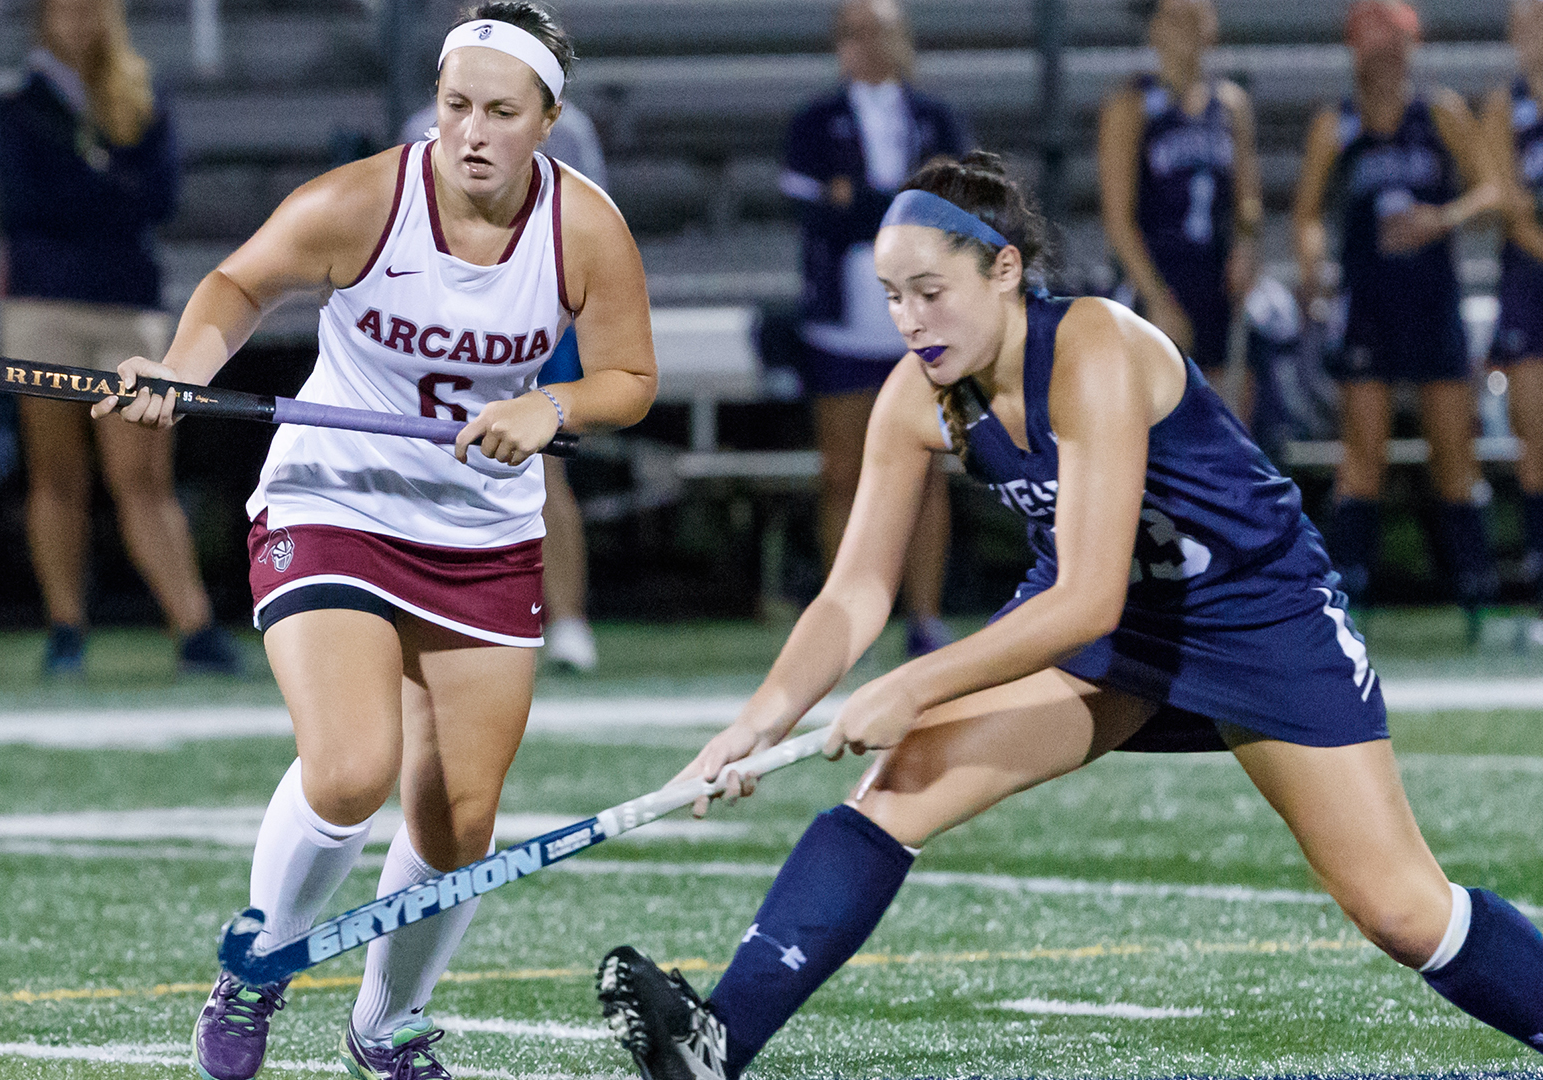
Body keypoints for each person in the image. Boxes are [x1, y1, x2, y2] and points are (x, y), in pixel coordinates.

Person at [594, 153, 1543, 1080]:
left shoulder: (1093, 347)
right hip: (1109, 633)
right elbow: (853, 595)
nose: (909, 322)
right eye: (891, 296)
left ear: (1004, 269)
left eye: (930, 291)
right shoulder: (917, 398)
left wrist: (912, 680)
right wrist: (754, 724)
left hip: (1254, 615)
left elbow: (1082, 592)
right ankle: (720, 1045)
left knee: (1399, 909)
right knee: (904, 780)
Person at [92, 4, 657, 1079]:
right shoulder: (364, 200)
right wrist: (181, 368)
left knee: (462, 822)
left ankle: (384, 1023)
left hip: (482, 531)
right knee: (351, 769)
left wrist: (555, 408)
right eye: (456, 107)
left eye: (501, 111)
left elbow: (630, 379)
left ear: (548, 119)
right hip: (334, 502)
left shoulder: (585, 228)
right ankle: (253, 965)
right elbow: (237, 285)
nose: (473, 132)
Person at [0, 0, 240, 677]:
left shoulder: (139, 93)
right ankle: (65, 625)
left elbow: (159, 196)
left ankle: (192, 627)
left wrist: (94, 187)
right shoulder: (22, 102)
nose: (77, 23)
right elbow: (28, 204)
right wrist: (108, 186)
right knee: (56, 473)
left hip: (127, 304)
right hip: (42, 303)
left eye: (88, 10)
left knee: (143, 477)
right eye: (64, 11)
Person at [1292, 0, 1502, 638]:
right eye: (1371, 42)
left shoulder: (1439, 113)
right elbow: (1306, 212)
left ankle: (1477, 601)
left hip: (1432, 299)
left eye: (1392, 42)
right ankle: (1348, 598)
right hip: (1370, 305)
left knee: (1453, 452)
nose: (1382, 55)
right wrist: (1313, 263)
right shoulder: (1339, 123)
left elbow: (1491, 189)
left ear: (1410, 46)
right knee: (1363, 455)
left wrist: (1440, 219)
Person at [784, 0, 970, 655]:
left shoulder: (931, 114)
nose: (863, 46)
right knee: (842, 470)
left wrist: (860, 201)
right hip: (843, 319)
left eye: (876, 32)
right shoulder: (815, 121)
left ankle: (924, 615)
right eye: (852, 34)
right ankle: (847, 620)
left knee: (928, 470)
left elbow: (953, 205)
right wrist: (892, 204)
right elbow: (814, 210)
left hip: (920, 320)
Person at [401, 100, 609, 671]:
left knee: (544, 469)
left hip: (535, 314)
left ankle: (565, 617)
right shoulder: (422, 123)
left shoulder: (570, 131)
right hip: (449, 322)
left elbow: (589, 228)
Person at [1097, 0, 1261, 417]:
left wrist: (1246, 245)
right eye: (1175, 19)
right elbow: (1118, 219)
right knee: (1156, 421)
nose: (1187, 29)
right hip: (1156, 278)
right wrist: (1157, 298)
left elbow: (1248, 201)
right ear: (1154, 30)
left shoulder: (1230, 105)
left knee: (1228, 420)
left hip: (1216, 280)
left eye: (1196, 17)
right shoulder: (1131, 105)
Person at [1482, 0, 1543, 639]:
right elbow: (1510, 206)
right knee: (1536, 450)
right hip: (1529, 290)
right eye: (1524, 26)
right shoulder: (1505, 106)